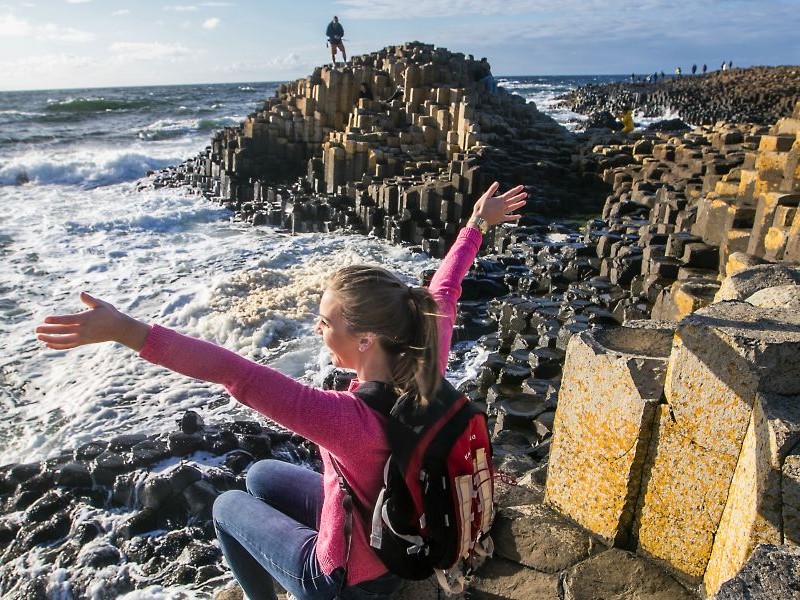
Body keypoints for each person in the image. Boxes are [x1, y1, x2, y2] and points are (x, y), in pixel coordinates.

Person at [35, 182, 527, 600]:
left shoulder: (344, 418)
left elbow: (235, 372)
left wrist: (127, 330)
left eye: (324, 321)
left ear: (364, 339)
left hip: (350, 576)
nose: (317, 330)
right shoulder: (426, 363)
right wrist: (476, 225)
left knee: (227, 506)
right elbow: (444, 290)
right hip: (392, 521)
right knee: (261, 474)